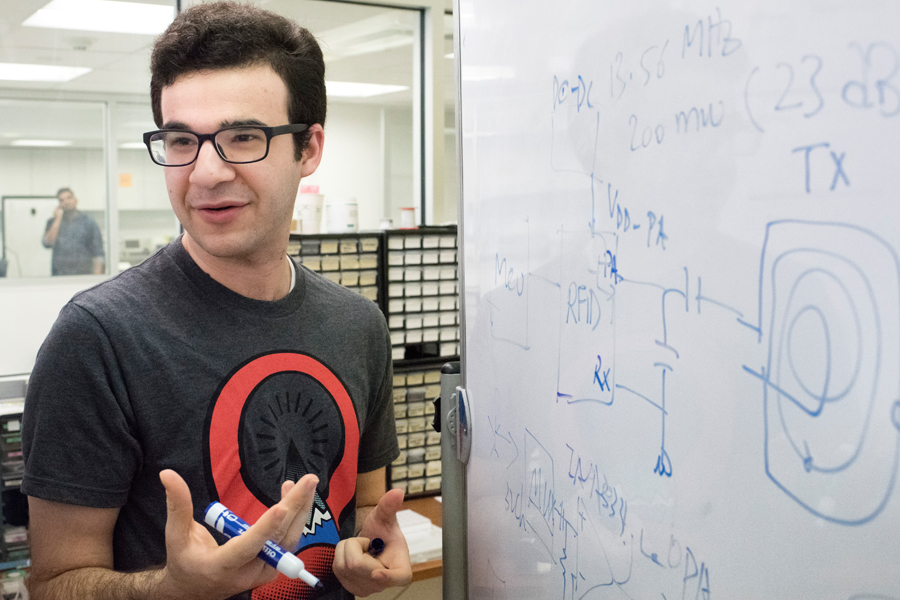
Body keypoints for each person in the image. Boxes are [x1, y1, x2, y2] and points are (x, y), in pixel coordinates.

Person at [21, 3, 411, 600]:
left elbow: (359, 508)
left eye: (242, 138)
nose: (205, 172)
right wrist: (174, 588)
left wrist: (361, 558)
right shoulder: (97, 338)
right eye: (181, 140)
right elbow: (52, 583)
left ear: (308, 148)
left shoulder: (358, 325)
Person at [41, 187, 105, 275]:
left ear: (75, 200)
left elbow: (98, 254)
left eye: (69, 198)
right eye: (62, 200)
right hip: (59, 277)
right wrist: (58, 219)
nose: (66, 202)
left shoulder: (89, 223)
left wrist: (97, 282)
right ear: (59, 204)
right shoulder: (53, 222)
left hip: (84, 276)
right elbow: (47, 243)